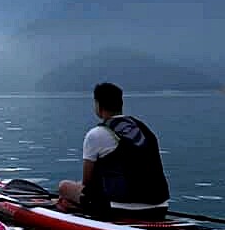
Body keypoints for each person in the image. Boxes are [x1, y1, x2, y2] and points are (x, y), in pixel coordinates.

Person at [58, 83, 170, 219]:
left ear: (98, 105)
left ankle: (74, 208)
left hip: (120, 209)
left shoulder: (96, 134)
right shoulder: (145, 130)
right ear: (121, 103)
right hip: (160, 207)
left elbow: (87, 183)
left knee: (64, 187)